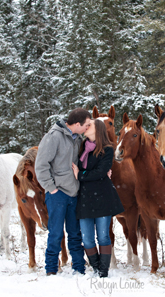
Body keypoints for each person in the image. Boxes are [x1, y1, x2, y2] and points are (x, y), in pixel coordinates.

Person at [35, 108, 92, 275]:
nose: (87, 128)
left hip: (73, 194)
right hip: (57, 194)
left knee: (75, 234)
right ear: (76, 124)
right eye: (86, 125)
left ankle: (79, 269)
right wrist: (51, 189)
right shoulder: (53, 137)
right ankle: (51, 269)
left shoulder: (78, 138)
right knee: (56, 234)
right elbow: (41, 166)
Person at [74, 119, 124, 277]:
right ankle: (95, 267)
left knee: (103, 236)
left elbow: (100, 172)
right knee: (87, 239)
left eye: (90, 126)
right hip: (84, 198)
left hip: (102, 197)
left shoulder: (108, 149)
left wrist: (80, 175)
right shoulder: (82, 147)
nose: (86, 127)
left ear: (98, 130)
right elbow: (94, 173)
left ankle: (103, 271)